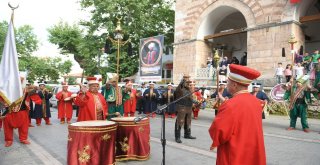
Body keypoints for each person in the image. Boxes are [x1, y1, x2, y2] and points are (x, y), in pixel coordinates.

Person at [209, 64, 266, 165]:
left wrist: (215, 138)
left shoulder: (230, 104)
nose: (226, 85)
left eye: (228, 82)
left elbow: (218, 131)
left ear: (234, 85)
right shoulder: (257, 102)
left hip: (235, 152)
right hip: (252, 150)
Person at [174, 75, 196, 143]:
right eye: (187, 83)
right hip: (182, 107)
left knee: (188, 121)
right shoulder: (179, 89)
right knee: (180, 122)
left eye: (189, 83)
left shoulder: (188, 90)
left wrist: (196, 102)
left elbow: (190, 99)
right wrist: (183, 80)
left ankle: (187, 134)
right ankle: (177, 137)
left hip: (188, 107)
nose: (188, 84)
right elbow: (180, 86)